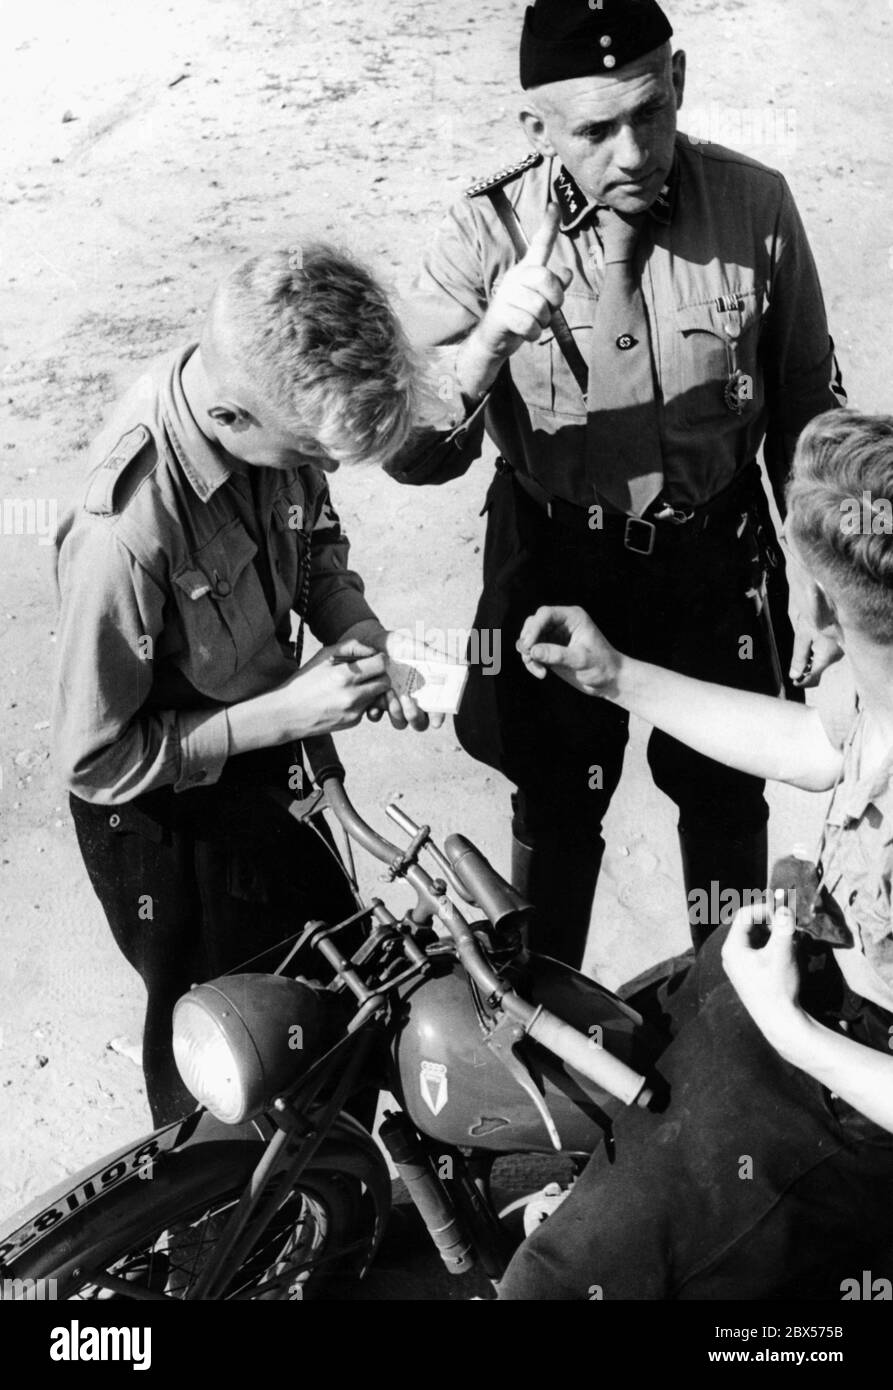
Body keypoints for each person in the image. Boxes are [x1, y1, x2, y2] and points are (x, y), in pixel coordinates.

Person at [385, 0, 846, 967]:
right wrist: (487, 344)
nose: (632, 152)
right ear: (537, 129)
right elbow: (410, 454)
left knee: (726, 798)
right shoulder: (483, 235)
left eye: (648, 112)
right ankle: (542, 1045)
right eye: (594, 130)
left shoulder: (753, 206)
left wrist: (820, 574)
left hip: (711, 565)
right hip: (555, 566)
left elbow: (804, 400)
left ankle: (734, 1038)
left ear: (677, 81)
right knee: (554, 818)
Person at [497, 409, 893, 1300]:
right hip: (793, 986)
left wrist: (785, 1023)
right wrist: (618, 676)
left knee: (548, 1288)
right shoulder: (878, 675)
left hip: (841, 1091)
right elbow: (818, 745)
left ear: (820, 602)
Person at [54, 244, 442, 1126]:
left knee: (325, 990)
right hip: (165, 822)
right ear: (230, 415)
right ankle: (217, 1237)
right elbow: (95, 760)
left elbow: (314, 547)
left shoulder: (269, 413)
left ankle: (328, 1198)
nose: (324, 469)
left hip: (270, 769)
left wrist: (356, 628)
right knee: (224, 1052)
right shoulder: (124, 535)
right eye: (309, 450)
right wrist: (281, 714)